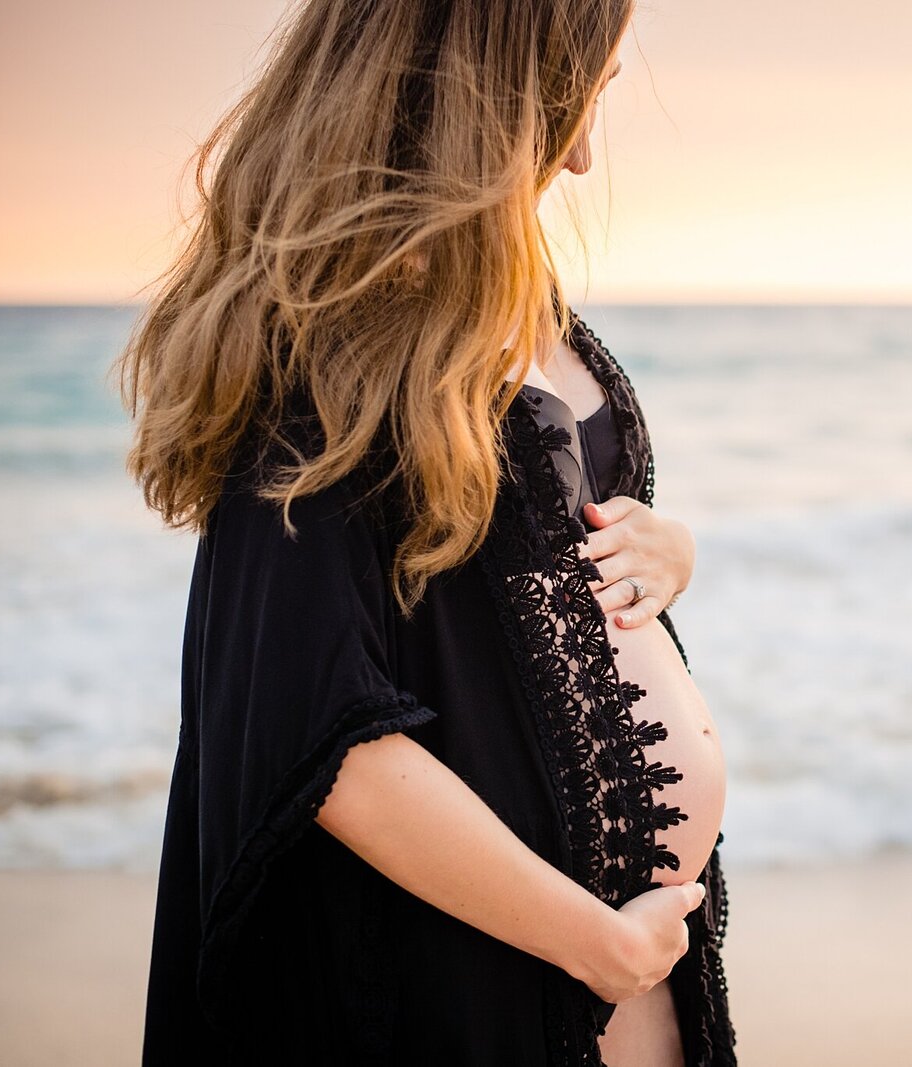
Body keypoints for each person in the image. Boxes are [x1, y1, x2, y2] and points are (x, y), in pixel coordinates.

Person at [115, 1, 736, 1063]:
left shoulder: (516, 298)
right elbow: (322, 734)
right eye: (588, 79)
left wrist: (666, 548)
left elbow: (528, 567)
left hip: (628, 970)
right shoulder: (324, 352)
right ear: (502, 85)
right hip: (473, 979)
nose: (588, 146)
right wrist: (590, 939)